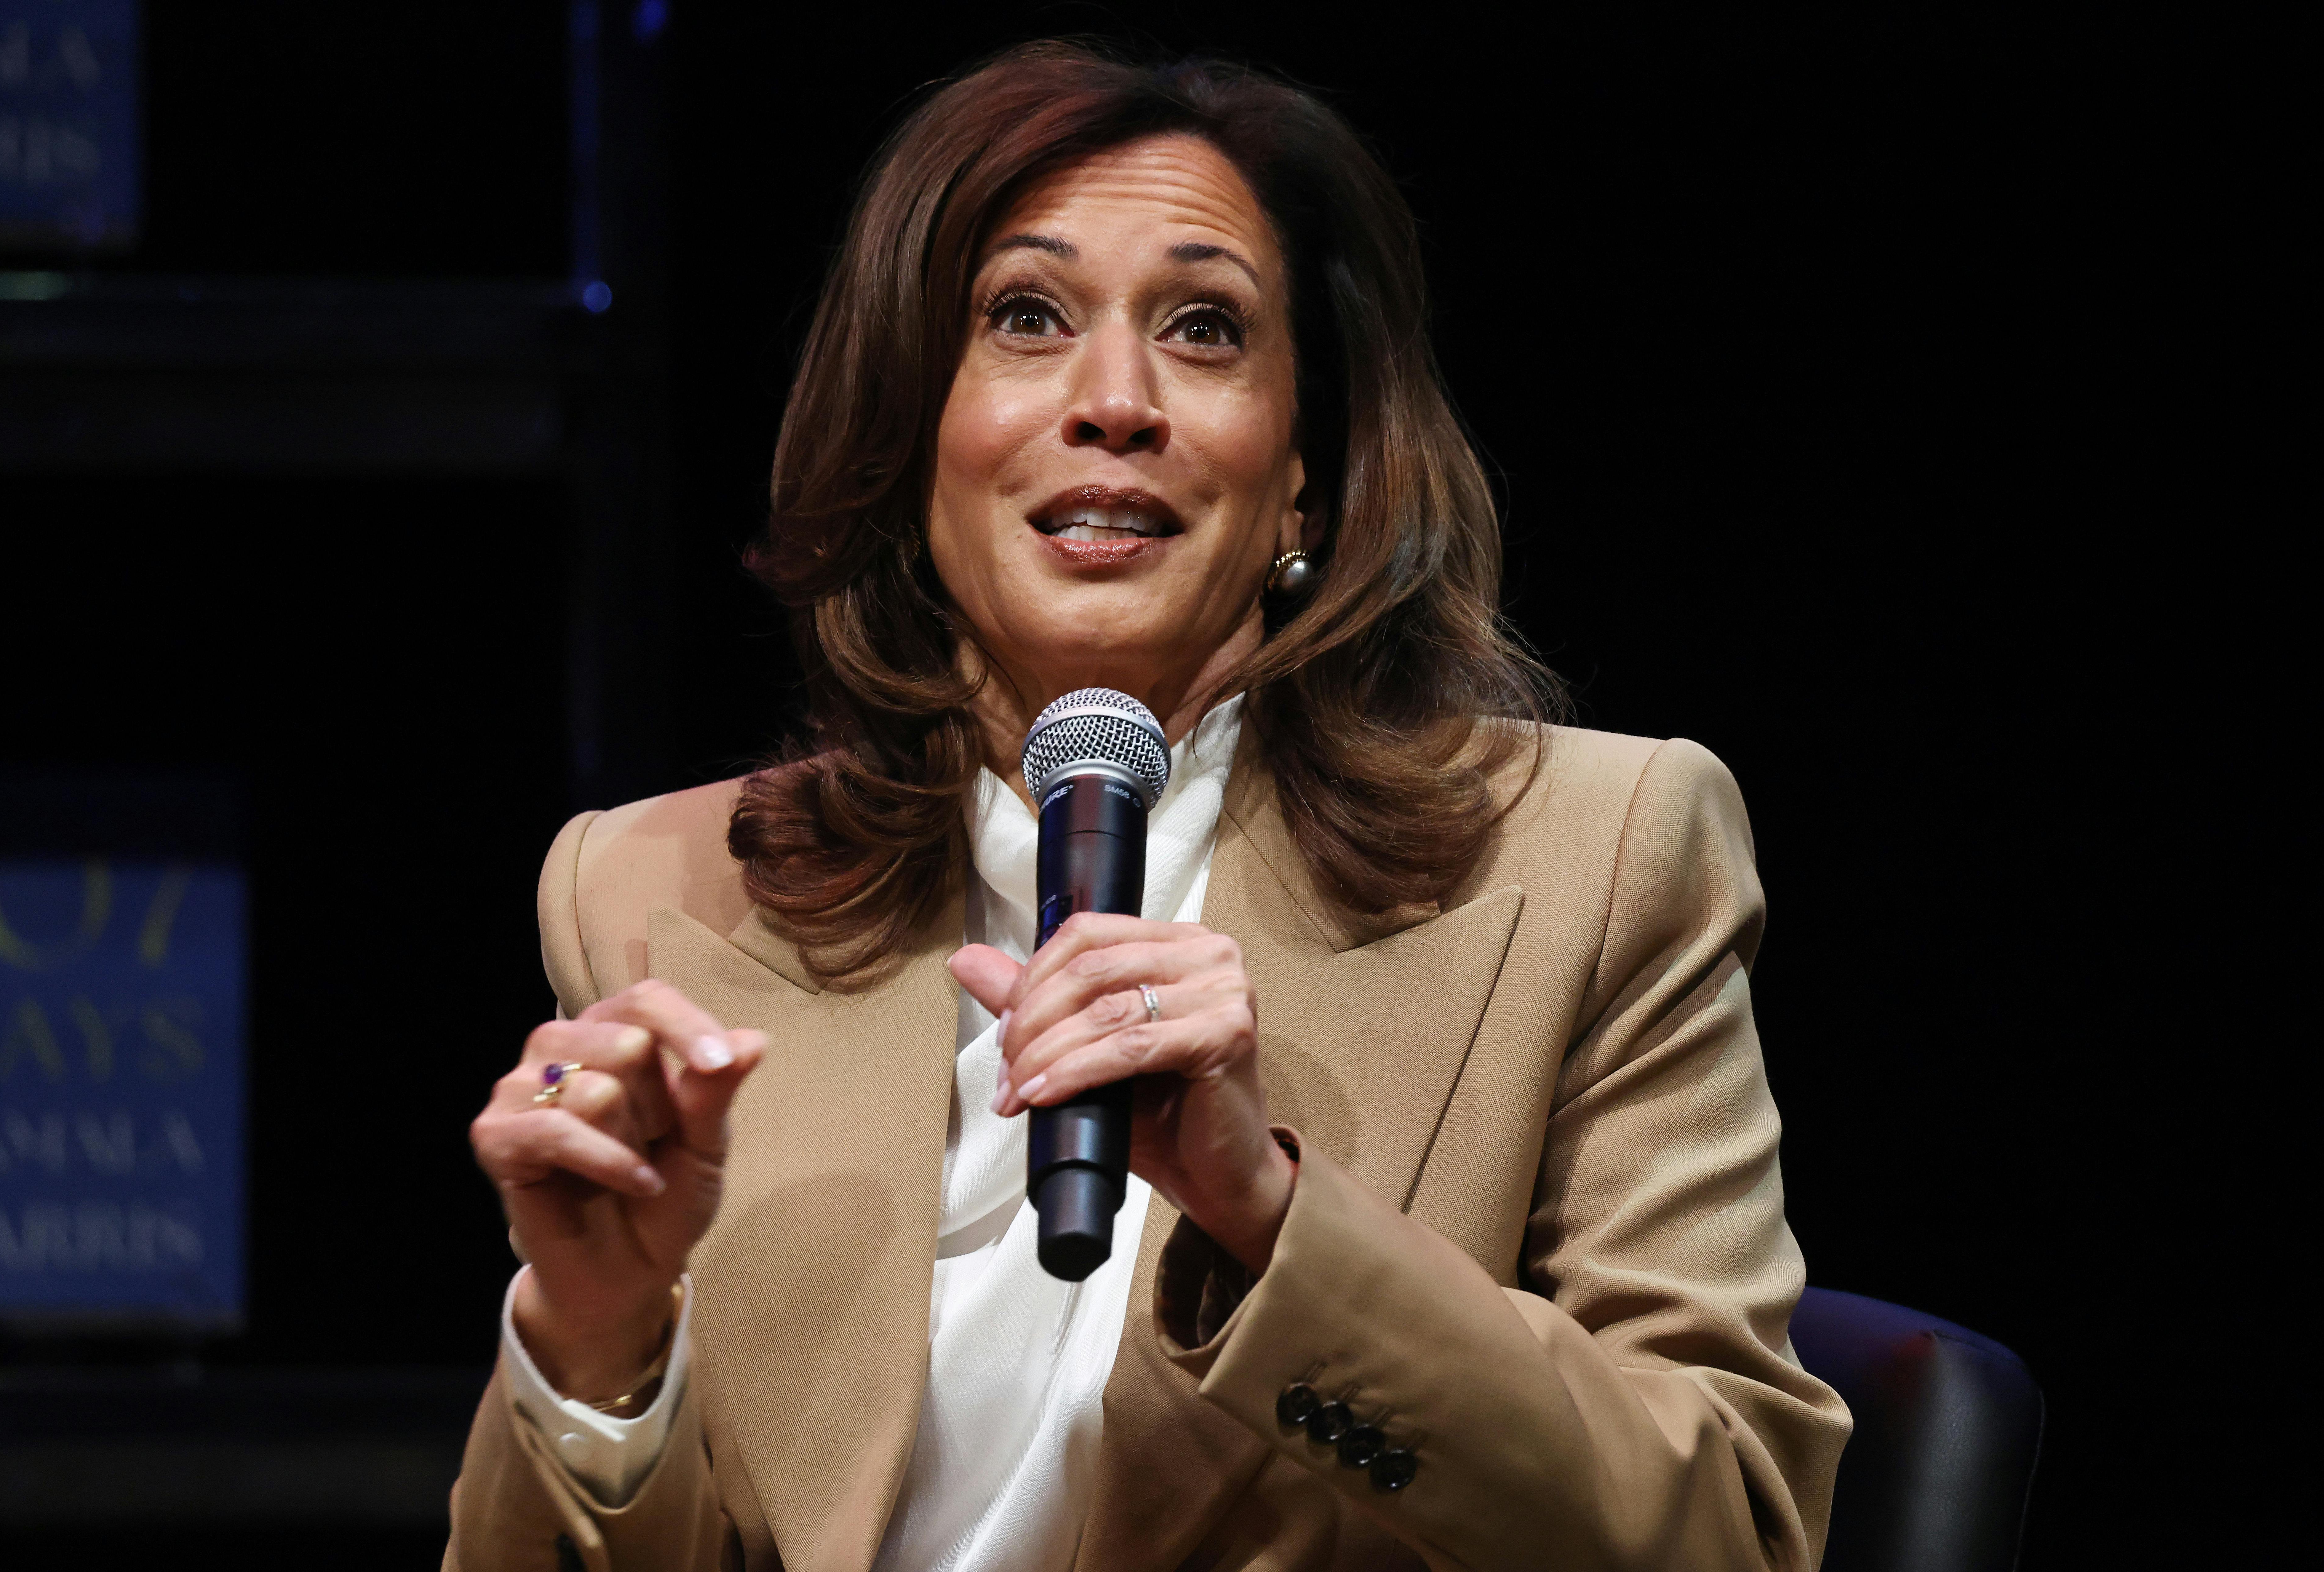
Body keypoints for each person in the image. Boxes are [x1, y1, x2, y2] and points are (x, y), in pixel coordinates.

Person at [448, 42, 1848, 1572]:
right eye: (1025, 318)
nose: (1115, 403)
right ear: (910, 436)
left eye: (1203, 329)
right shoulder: (654, 890)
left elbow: (1732, 1527)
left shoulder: (1601, 853)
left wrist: (1271, 1220)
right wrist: (594, 1339)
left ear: (1303, 471)